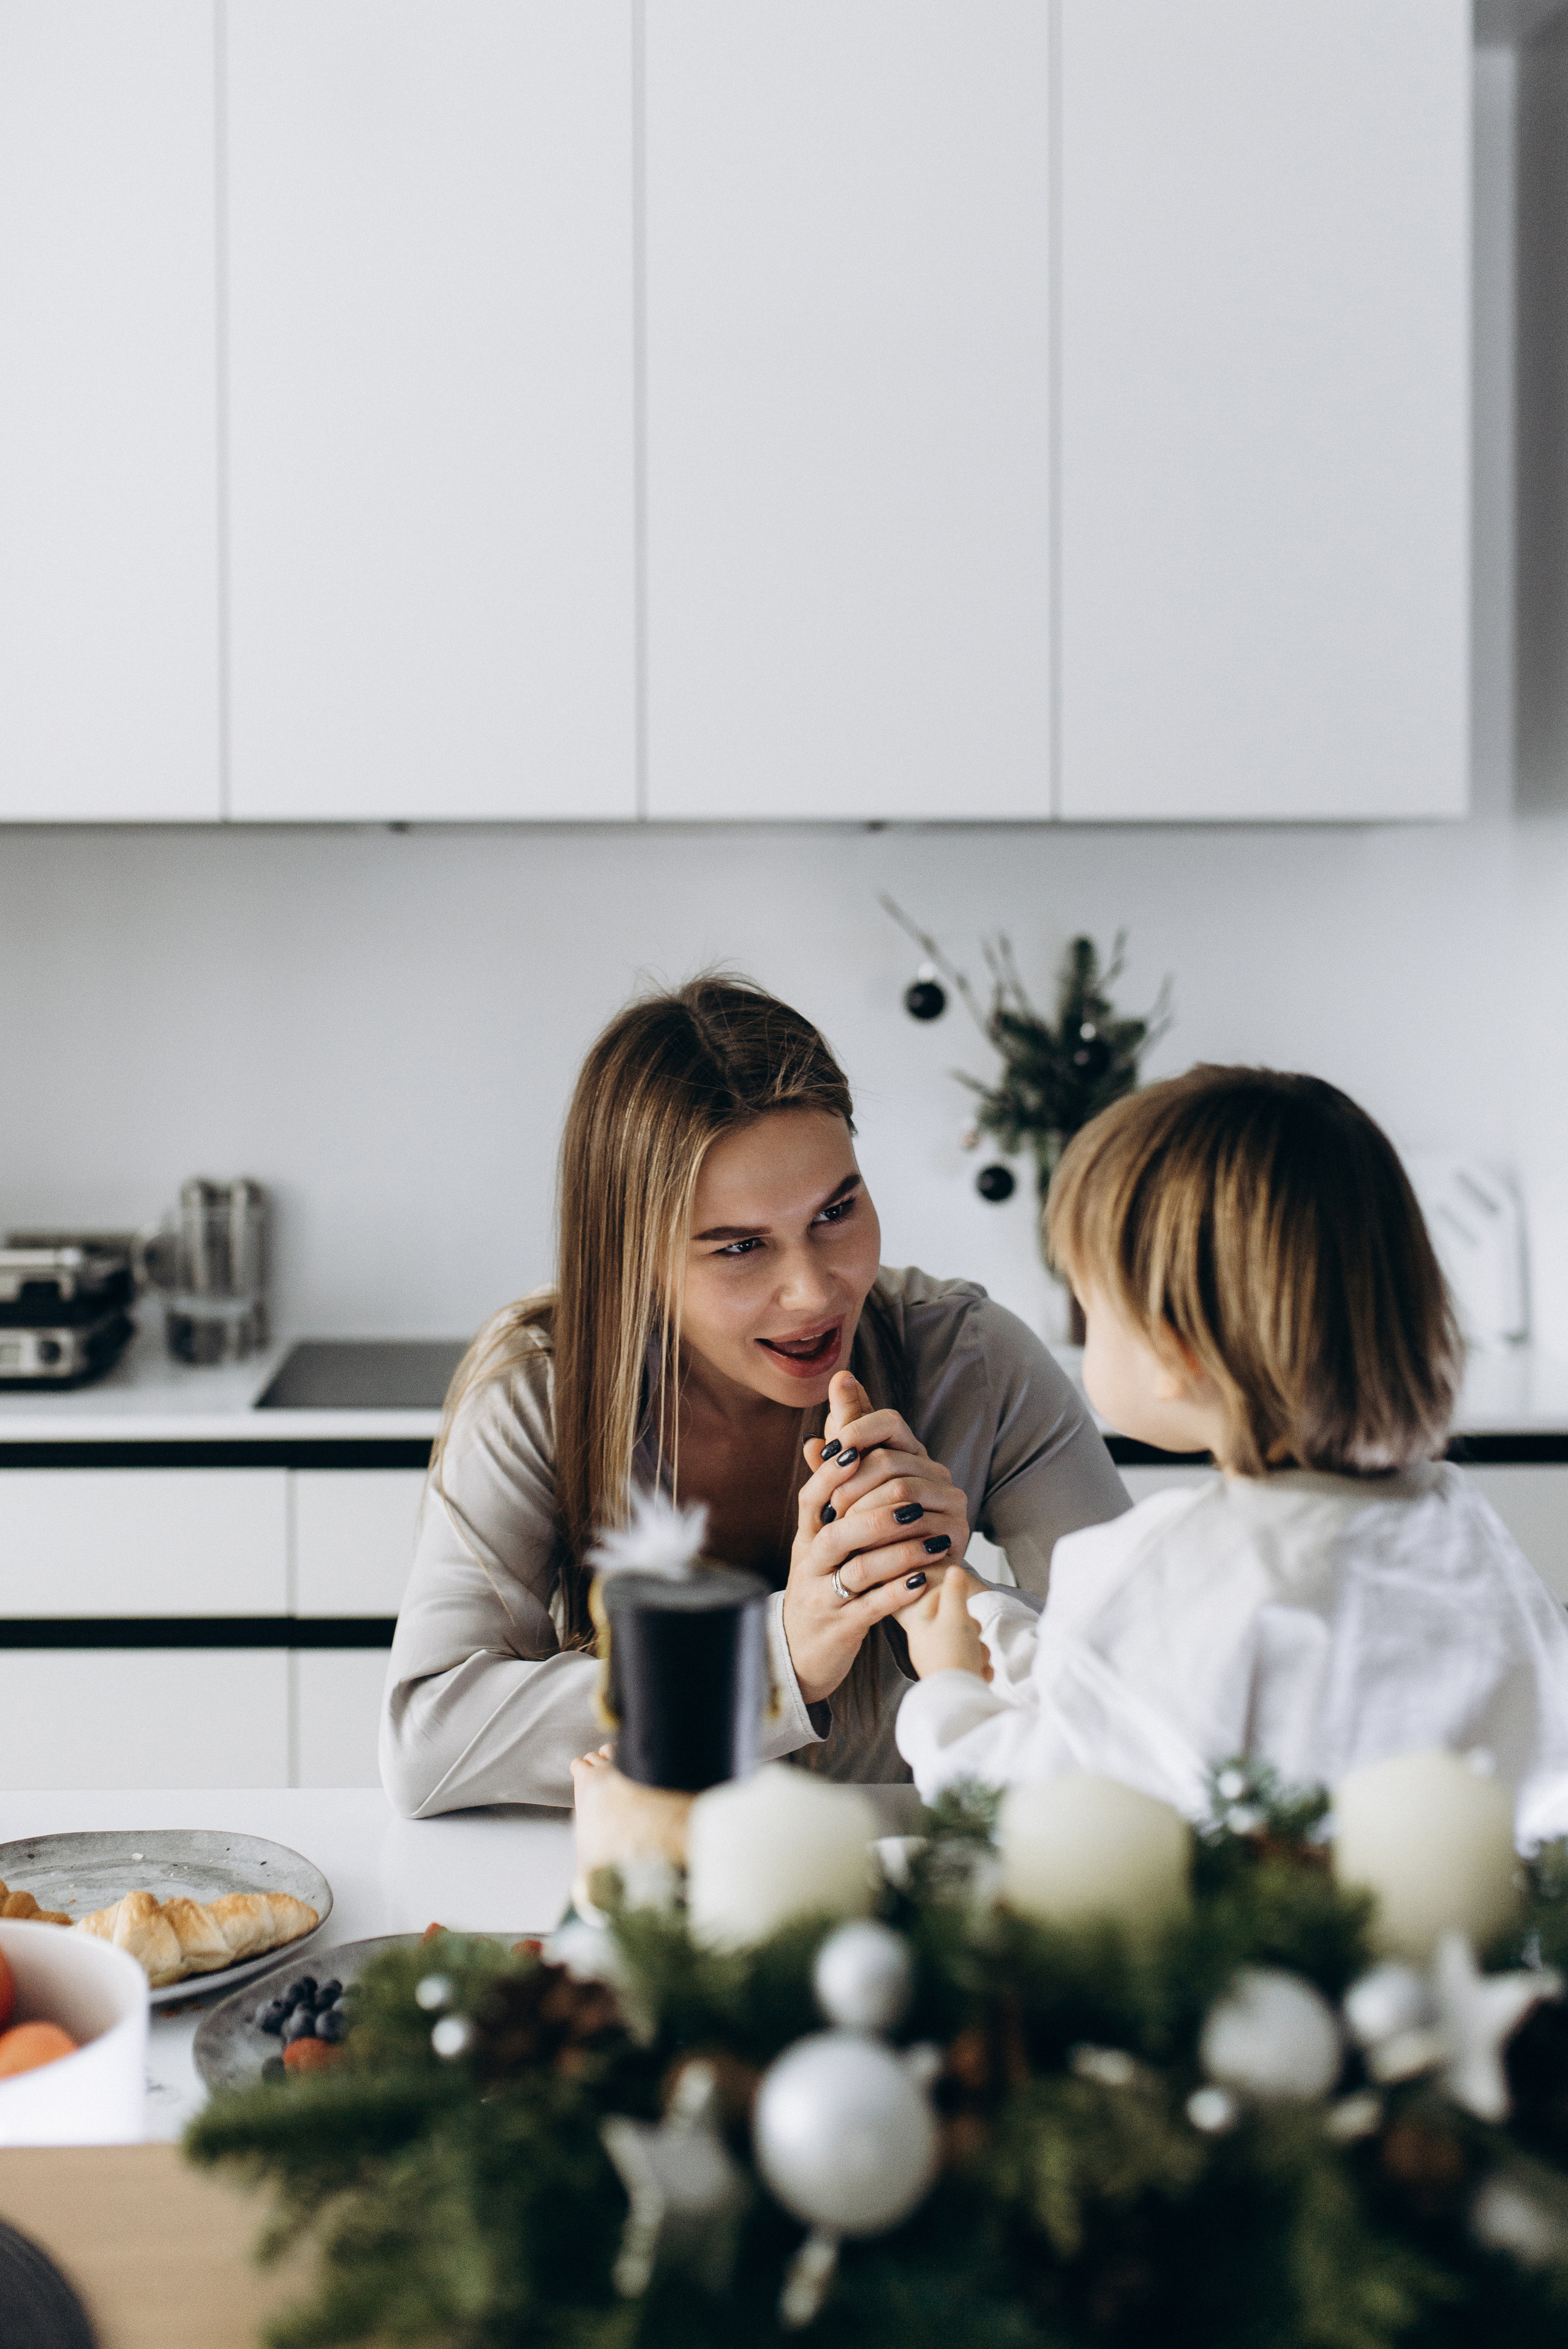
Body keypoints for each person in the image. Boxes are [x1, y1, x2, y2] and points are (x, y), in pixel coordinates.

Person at [380, 976, 1128, 1818]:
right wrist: (783, 1655)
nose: (814, 1289)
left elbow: (1142, 1682)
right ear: (636, 1255)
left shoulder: (973, 1358)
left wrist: (945, 1592)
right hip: (638, 1888)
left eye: (837, 1210)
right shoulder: (538, 1389)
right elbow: (427, 1745)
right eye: (739, 1246)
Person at [897, 1065, 1568, 1846]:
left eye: (1090, 1306)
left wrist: (947, 1687)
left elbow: (1041, 1804)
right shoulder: (1466, 1533)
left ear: (1175, 1350)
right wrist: (991, 1617)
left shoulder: (1174, 1563)